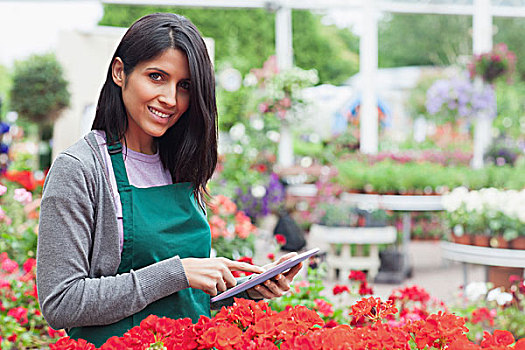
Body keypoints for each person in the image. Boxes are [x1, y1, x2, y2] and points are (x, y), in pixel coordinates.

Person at [36, 13, 302, 346]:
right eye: (156, 77)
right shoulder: (80, 169)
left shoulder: (179, 164)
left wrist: (248, 288)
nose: (171, 99)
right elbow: (61, 302)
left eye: (185, 86)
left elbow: (184, 299)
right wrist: (176, 272)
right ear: (120, 72)